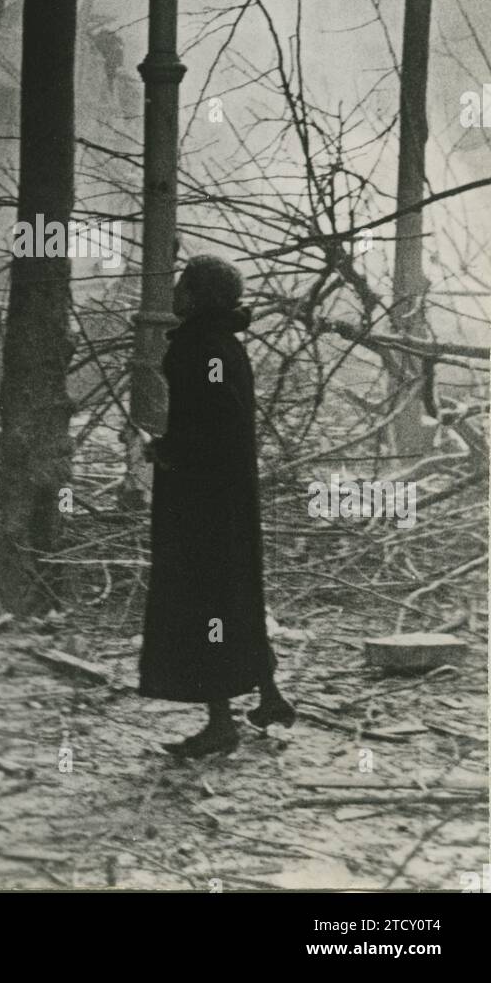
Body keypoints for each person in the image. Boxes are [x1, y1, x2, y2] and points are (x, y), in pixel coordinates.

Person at [138, 254, 294, 755]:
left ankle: (221, 723)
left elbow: (214, 417)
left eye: (184, 284)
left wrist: (167, 450)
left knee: (203, 601)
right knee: (235, 593)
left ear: (200, 295)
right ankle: (269, 697)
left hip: (202, 500)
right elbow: (218, 414)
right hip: (228, 495)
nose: (175, 293)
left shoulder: (203, 347)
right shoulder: (222, 343)